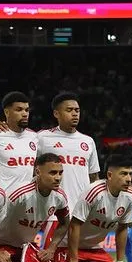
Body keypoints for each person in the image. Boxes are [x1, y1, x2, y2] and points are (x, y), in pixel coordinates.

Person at [0, 153, 69, 262]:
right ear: (38, 172)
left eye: (60, 173)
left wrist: (51, 249)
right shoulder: (20, 194)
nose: (58, 178)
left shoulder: (59, 197)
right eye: (53, 173)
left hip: (25, 249)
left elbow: (65, 223)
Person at [37, 92, 101, 249]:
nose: (74, 113)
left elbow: (94, 178)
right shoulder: (42, 138)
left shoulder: (88, 141)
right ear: (56, 113)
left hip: (82, 214)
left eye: (77, 110)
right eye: (69, 110)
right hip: (54, 213)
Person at [63, 154, 132, 262]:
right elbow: (74, 225)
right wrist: (73, 261)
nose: (129, 179)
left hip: (93, 248)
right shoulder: (94, 192)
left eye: (130, 174)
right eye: (124, 174)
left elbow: (122, 228)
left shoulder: (130, 196)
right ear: (109, 175)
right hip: (68, 247)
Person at [0, 92, 39, 194]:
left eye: (27, 110)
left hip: (28, 201)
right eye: (19, 110)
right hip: (1, 200)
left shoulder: (34, 137)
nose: (25, 114)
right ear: (7, 112)